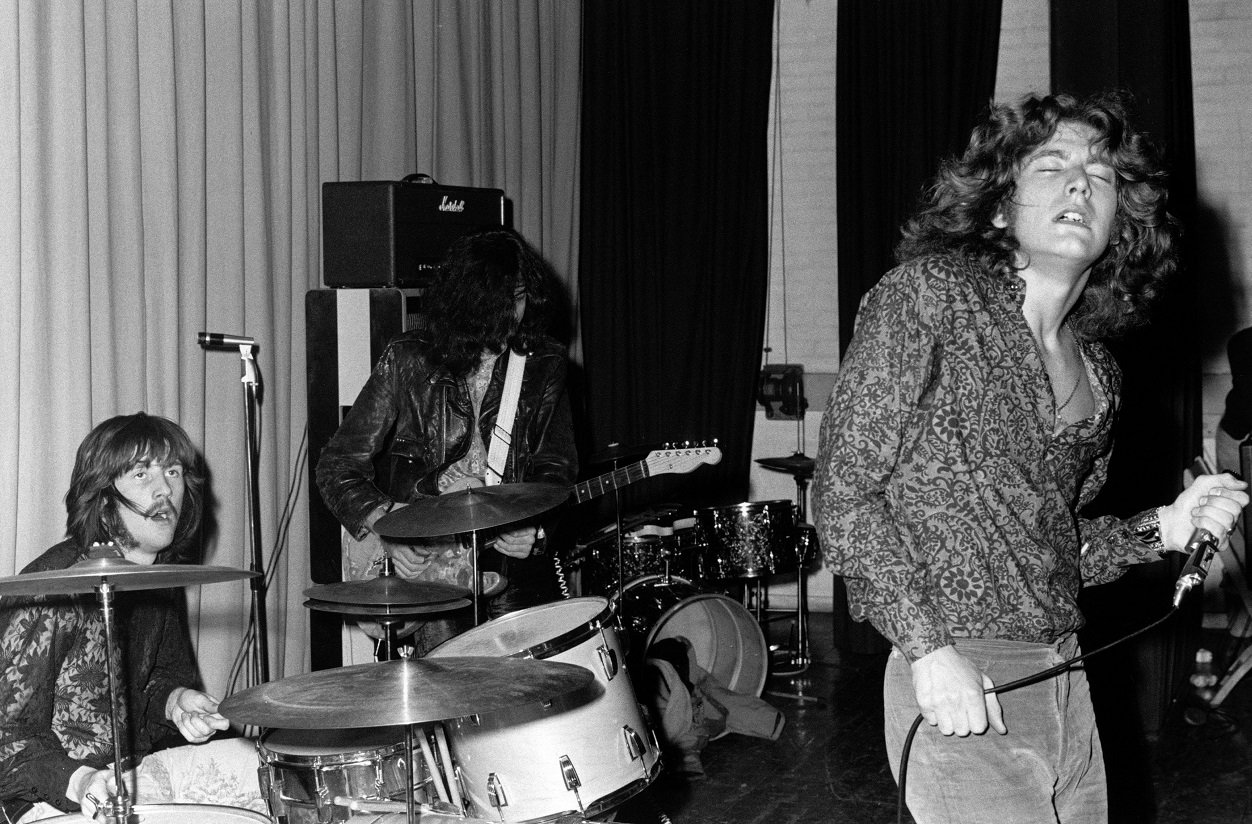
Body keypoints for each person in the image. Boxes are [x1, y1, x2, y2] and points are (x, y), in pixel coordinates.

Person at [813, 90, 1249, 824]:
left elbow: (1053, 544)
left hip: (1066, 678)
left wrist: (1161, 529)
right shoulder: (930, 298)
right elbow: (845, 494)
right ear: (996, 207)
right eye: (1053, 166)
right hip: (957, 672)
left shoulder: (1101, 372)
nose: (1082, 182)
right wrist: (928, 653)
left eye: (1103, 176)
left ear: (1122, 226)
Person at [315, 229, 579, 655]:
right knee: (447, 702)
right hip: (429, 577)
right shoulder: (407, 359)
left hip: (510, 574)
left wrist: (539, 529)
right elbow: (337, 466)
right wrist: (389, 527)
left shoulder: (543, 367)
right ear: (466, 301)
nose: (512, 314)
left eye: (519, 297)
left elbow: (557, 474)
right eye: (498, 301)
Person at [0, 412, 264, 822]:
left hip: (132, 773)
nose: (165, 489)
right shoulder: (54, 586)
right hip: (56, 797)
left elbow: (154, 678)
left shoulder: (157, 576)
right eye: (142, 474)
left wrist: (177, 703)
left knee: (259, 767)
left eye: (173, 471)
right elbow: (5, 733)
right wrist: (82, 780)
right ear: (104, 497)